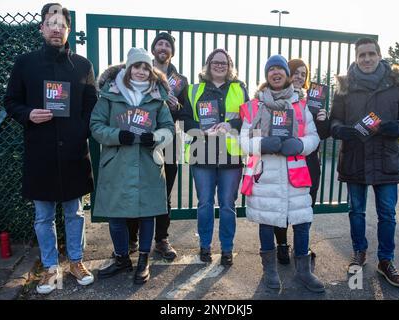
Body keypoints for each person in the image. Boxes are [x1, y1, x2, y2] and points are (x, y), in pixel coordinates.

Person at [4, 3, 96, 295]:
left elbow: (92, 107)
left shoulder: (83, 65)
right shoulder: (25, 63)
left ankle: (76, 262)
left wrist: (78, 132)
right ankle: (50, 267)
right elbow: (11, 102)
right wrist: (28, 114)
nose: (56, 28)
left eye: (62, 24)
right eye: (51, 22)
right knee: (43, 216)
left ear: (68, 31)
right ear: (42, 28)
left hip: (73, 153)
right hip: (40, 152)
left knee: (75, 213)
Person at [330, 38, 399, 288]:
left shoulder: (398, 82)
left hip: (386, 157)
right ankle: (359, 252)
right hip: (355, 157)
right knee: (356, 211)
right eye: (362, 55)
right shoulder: (344, 85)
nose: (366, 59)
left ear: (380, 56)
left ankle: (386, 261)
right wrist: (340, 130)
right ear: (355, 58)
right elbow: (335, 120)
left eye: (371, 54)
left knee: (387, 214)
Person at [239, 55, 324, 292]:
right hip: (265, 174)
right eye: (271, 69)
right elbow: (243, 140)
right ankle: (270, 270)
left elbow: (314, 137)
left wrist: (300, 145)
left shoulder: (301, 104)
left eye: (280, 69)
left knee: (302, 222)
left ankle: (304, 272)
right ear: (266, 75)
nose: (276, 73)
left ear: (287, 74)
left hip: (295, 174)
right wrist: (262, 145)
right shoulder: (254, 106)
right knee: (267, 223)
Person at [90, 47, 175, 285]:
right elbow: (96, 126)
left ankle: (143, 261)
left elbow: (168, 127)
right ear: (128, 68)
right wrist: (117, 135)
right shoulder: (110, 94)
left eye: (146, 67)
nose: (141, 71)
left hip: (147, 162)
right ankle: (121, 258)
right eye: (136, 66)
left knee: (147, 214)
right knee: (115, 215)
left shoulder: (158, 98)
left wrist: (157, 137)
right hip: (117, 163)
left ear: (151, 71)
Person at [179, 49, 249, 266]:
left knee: (228, 204)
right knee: (205, 203)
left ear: (230, 67)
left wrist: (232, 124)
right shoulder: (193, 89)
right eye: (215, 62)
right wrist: (201, 130)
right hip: (203, 153)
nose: (220, 66)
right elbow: (183, 119)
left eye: (224, 63)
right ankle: (205, 247)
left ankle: (227, 248)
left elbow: (249, 117)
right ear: (208, 65)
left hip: (231, 156)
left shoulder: (240, 88)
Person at [126, 32, 188, 261]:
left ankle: (161, 239)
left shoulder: (181, 80)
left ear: (172, 51)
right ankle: (132, 238)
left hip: (170, 139)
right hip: (142, 138)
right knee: (137, 186)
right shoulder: (142, 72)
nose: (163, 47)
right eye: (159, 44)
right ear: (153, 49)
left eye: (167, 45)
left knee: (164, 192)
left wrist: (177, 105)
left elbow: (187, 114)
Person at [273, 59, 330, 265]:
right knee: (283, 204)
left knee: (305, 205)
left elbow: (321, 135)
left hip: (309, 161)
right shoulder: (278, 97)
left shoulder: (313, 102)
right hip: (285, 160)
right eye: (295, 72)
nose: (299, 77)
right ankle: (281, 245)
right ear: (287, 74)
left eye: (303, 74)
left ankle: (301, 244)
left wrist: (323, 120)